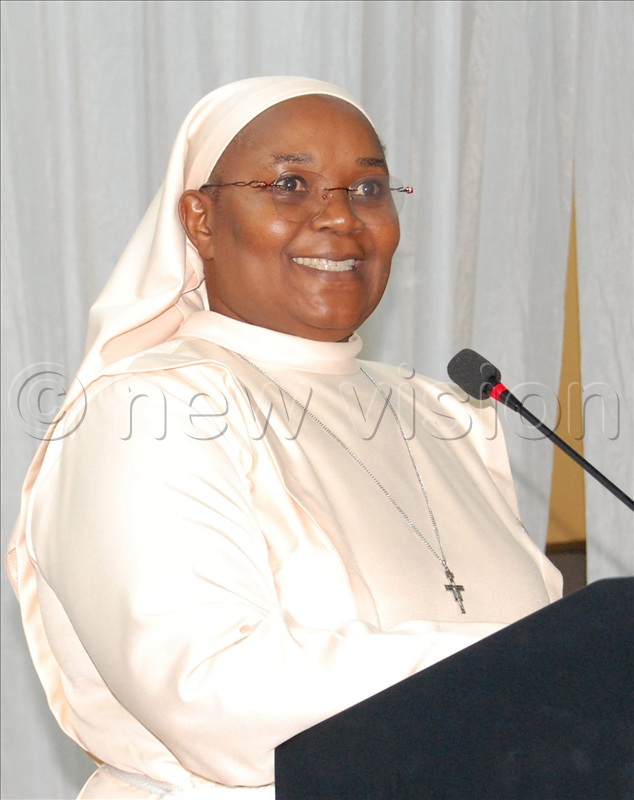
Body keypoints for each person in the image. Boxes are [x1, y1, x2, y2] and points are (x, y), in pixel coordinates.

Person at [7, 76, 562, 799]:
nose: (339, 220)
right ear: (200, 219)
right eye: (290, 184)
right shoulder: (147, 408)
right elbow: (209, 696)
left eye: (368, 190)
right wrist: (535, 666)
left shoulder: (446, 417)